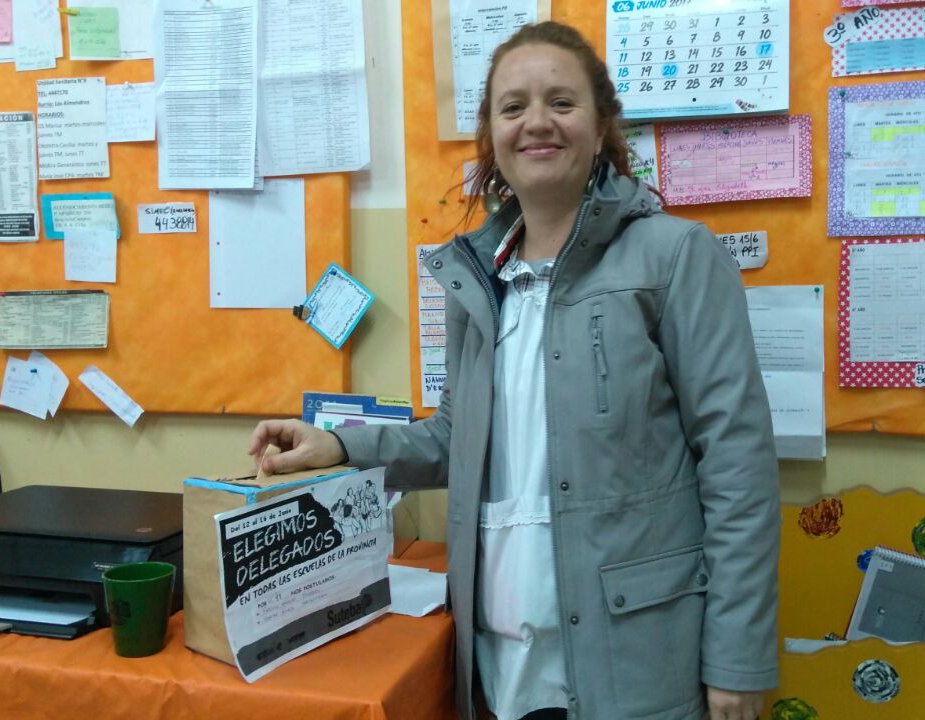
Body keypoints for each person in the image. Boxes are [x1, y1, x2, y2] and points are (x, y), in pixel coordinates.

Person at [248, 20, 780, 720]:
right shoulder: (476, 277)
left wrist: (737, 658)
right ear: (492, 135)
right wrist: (341, 447)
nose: (537, 122)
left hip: (634, 668)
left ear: (601, 126)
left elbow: (738, 466)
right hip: (500, 670)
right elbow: (454, 439)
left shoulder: (675, 256)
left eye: (561, 102)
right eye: (513, 106)